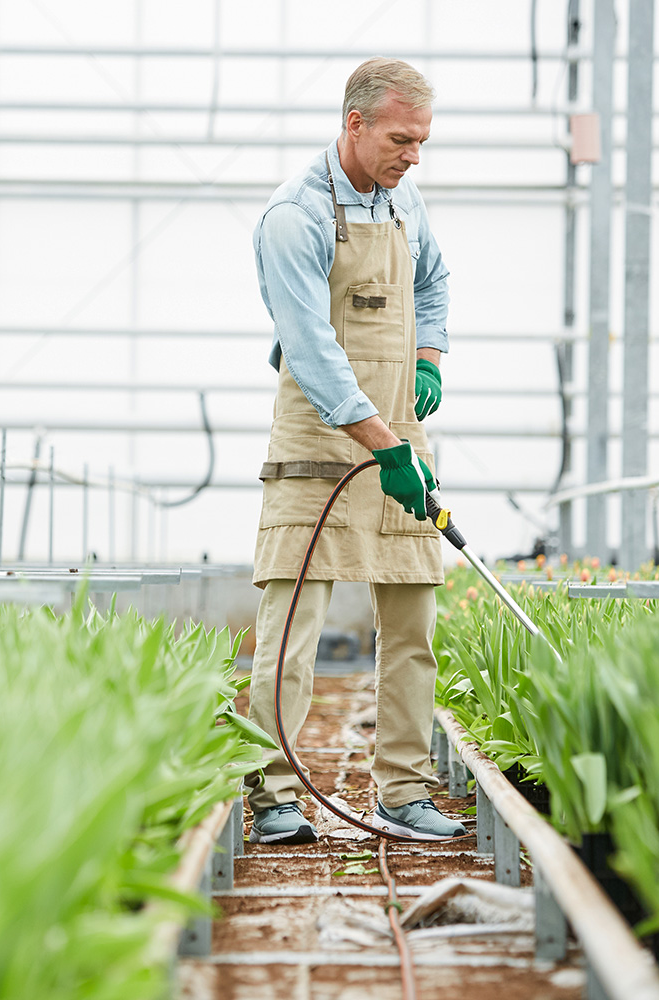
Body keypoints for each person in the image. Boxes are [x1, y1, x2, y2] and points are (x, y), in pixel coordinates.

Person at [244, 57, 464, 844]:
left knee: (413, 621)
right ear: (355, 124)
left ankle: (402, 789)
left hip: (401, 433)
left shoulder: (408, 201)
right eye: (402, 138)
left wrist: (429, 358)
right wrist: (385, 444)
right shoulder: (293, 216)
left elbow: (433, 282)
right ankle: (273, 794)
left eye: (422, 141)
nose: (413, 155)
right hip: (317, 442)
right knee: (292, 624)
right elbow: (312, 351)